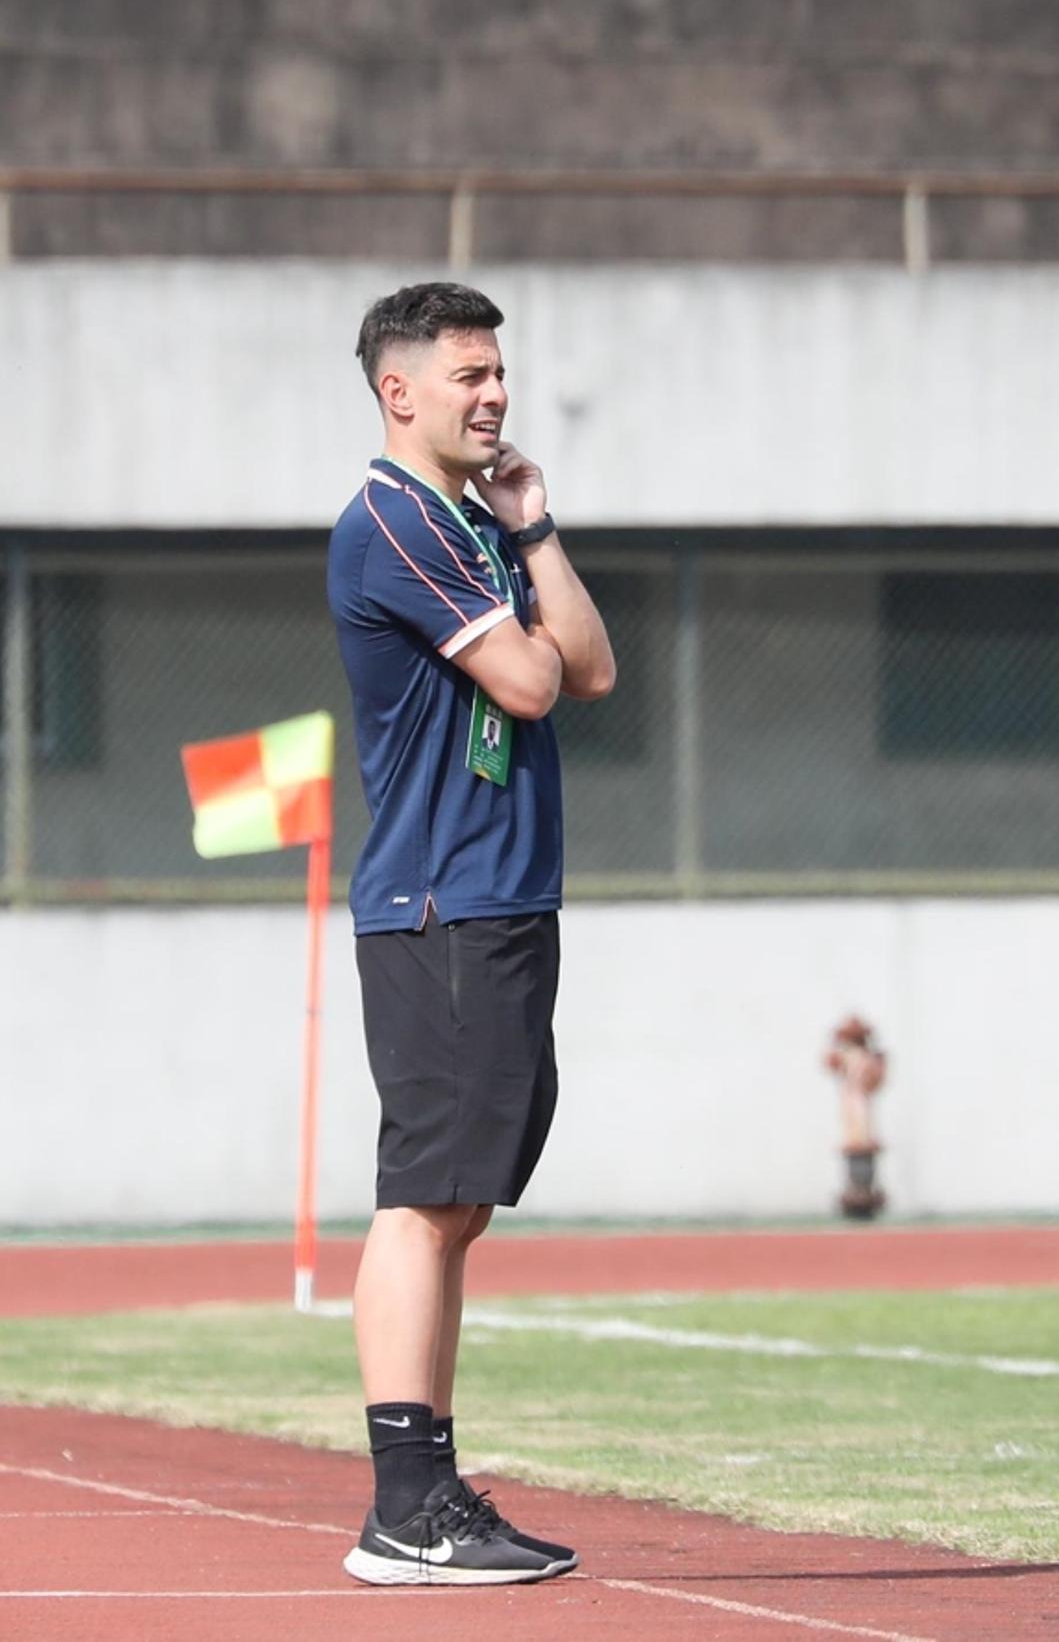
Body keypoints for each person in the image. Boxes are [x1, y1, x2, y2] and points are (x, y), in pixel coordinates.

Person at [326, 281, 616, 1587]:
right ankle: (405, 1507)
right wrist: (531, 631)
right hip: (443, 903)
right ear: (399, 392)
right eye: (468, 374)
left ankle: (429, 1496)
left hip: (497, 900)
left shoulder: (474, 526)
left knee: (457, 1207)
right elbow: (532, 682)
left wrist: (535, 527)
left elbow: (591, 667)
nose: (495, 393)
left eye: (499, 372)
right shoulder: (394, 522)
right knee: (424, 1204)